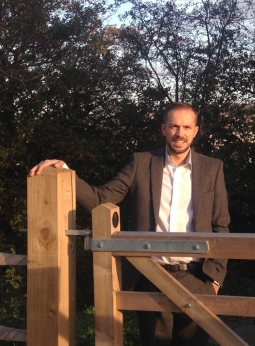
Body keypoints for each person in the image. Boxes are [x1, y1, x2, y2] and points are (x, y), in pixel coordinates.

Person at [29, 102, 230, 346]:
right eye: (174, 126)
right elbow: (100, 199)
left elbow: (221, 225)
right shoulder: (141, 163)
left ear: (196, 130)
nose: (180, 132)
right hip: (150, 275)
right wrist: (65, 170)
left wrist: (215, 278)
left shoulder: (213, 168)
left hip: (198, 278)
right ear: (163, 128)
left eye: (186, 126)